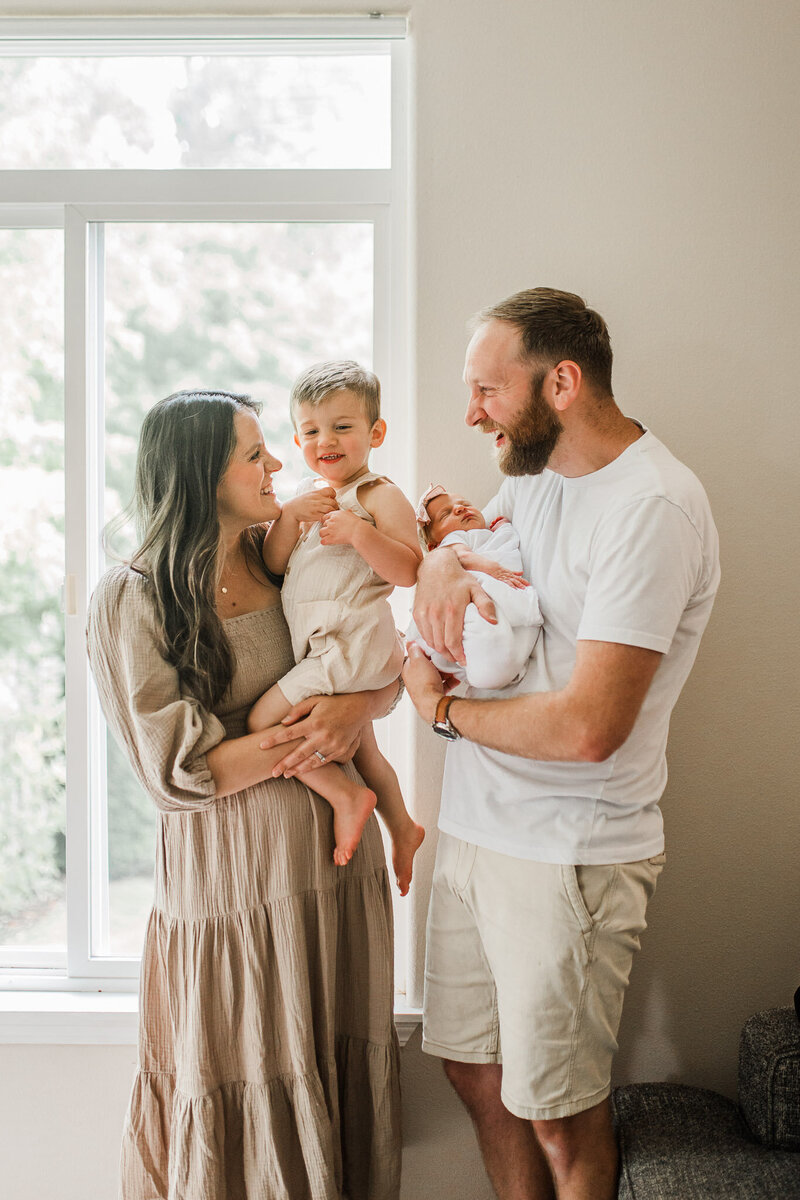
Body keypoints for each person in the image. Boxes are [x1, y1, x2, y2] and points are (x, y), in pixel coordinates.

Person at [403, 288, 720, 1200]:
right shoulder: (535, 477)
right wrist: (433, 557)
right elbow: (478, 553)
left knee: (558, 1113)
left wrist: (442, 714)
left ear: (563, 383)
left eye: (486, 391)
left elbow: (590, 728)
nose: (470, 413)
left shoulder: (651, 508)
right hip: (476, 831)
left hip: (565, 853)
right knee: (472, 1069)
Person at [87, 389, 402, 1200]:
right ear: (201, 473)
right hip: (233, 891)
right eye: (254, 455)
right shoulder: (133, 597)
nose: (277, 466)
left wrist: (355, 708)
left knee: (328, 1073)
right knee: (243, 1089)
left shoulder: (284, 554)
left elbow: (370, 660)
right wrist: (317, 730)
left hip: (330, 875)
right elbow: (178, 771)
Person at [247, 361, 425, 894]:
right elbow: (276, 566)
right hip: (330, 650)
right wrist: (289, 518)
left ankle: (345, 796)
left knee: (261, 721)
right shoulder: (306, 495)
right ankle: (402, 825)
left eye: (342, 427)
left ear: (375, 434)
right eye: (310, 430)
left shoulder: (377, 495)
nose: (325, 440)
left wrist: (360, 536)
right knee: (366, 750)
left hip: (350, 647)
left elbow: (410, 568)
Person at [407, 483, 543, 690]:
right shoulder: (454, 539)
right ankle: (488, 668)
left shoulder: (487, 534)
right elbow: (462, 556)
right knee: (481, 622)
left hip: (500, 605)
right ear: (435, 546)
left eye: (464, 503)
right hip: (478, 589)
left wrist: (502, 527)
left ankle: (496, 665)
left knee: (505, 640)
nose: (460, 508)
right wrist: (493, 569)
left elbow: (505, 541)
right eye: (446, 515)